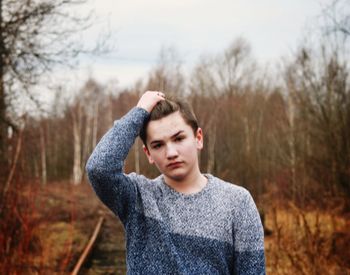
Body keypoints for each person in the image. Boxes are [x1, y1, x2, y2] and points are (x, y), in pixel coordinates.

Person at [86, 91, 266, 274]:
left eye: (179, 138)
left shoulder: (237, 202)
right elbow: (99, 168)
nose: (171, 153)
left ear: (198, 138)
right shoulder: (138, 197)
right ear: (148, 154)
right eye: (158, 145)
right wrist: (139, 112)